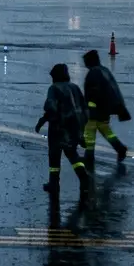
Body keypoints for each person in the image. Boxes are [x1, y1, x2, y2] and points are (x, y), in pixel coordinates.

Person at [35, 64, 92, 194]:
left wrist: (43, 121)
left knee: (54, 155)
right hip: (74, 128)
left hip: (58, 128)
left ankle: (54, 183)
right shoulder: (75, 88)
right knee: (72, 153)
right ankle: (83, 177)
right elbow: (84, 108)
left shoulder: (54, 89)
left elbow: (51, 107)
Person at [81, 49, 130, 167]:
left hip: (98, 108)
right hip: (106, 107)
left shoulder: (94, 72)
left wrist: (89, 108)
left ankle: (89, 155)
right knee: (104, 129)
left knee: (90, 131)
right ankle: (119, 148)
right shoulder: (104, 70)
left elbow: (93, 93)